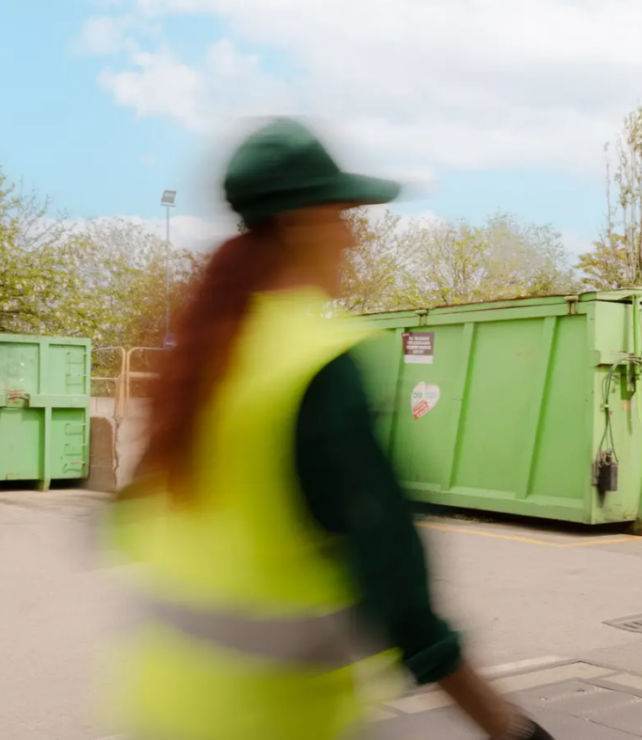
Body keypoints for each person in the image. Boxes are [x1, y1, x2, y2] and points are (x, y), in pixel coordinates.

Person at [108, 118, 553, 740]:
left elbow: (129, 525)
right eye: (346, 218)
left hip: (162, 707)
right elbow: (398, 591)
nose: (354, 240)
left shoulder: (206, 361)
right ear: (301, 222)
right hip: (270, 722)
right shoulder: (316, 365)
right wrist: (507, 727)